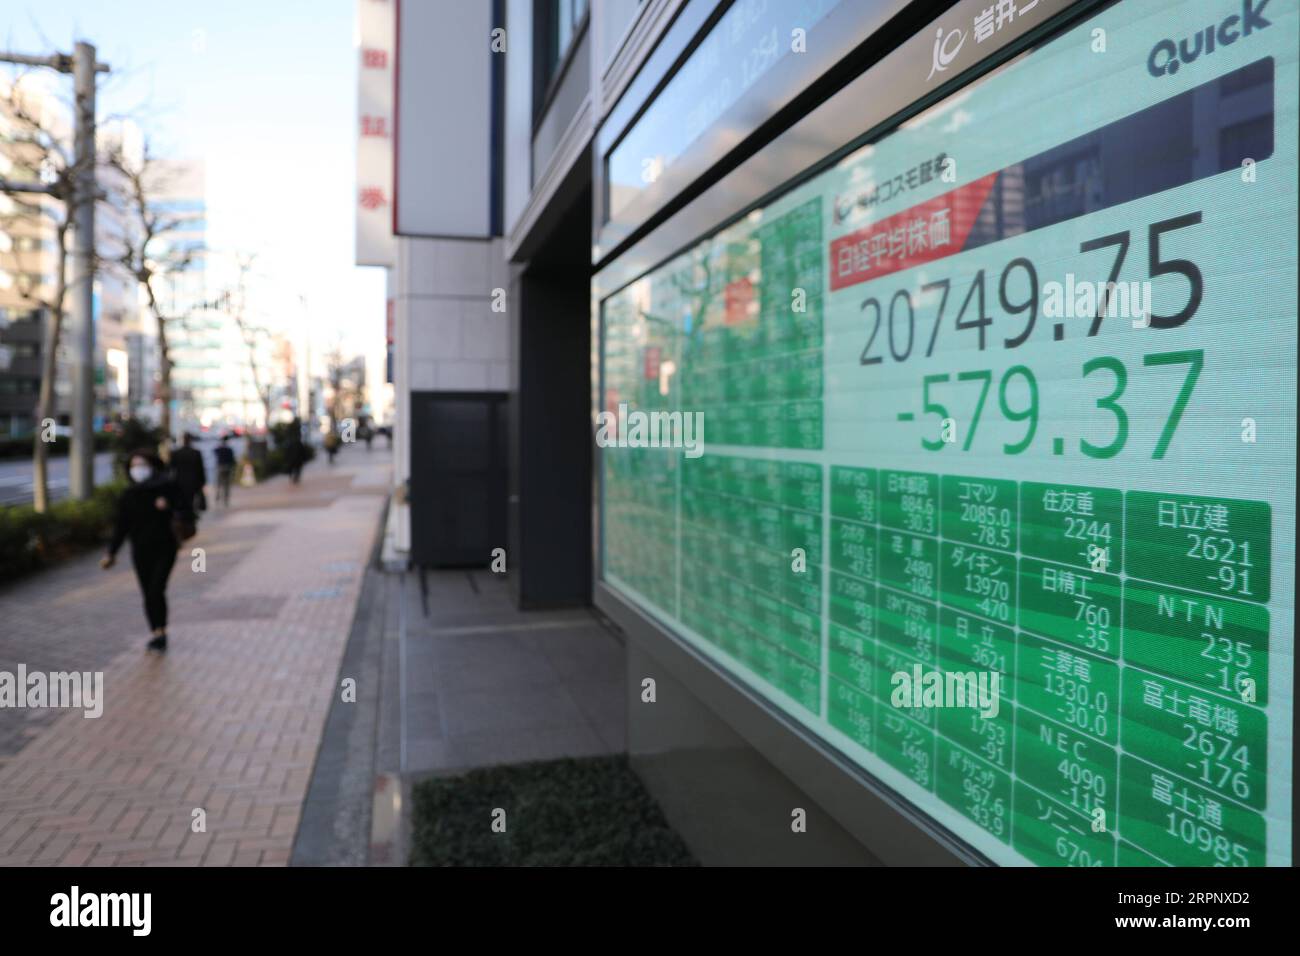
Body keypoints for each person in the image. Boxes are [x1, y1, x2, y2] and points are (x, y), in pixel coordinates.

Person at [100, 450, 193, 652]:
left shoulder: (167, 487)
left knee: (156, 589)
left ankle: (161, 632)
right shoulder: (129, 494)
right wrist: (111, 552)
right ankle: (156, 631)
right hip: (140, 550)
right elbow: (121, 526)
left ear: (152, 466)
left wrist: (168, 507)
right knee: (147, 592)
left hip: (165, 547)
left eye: (141, 464)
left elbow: (187, 511)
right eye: (134, 465)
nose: (137, 469)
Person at [170, 432, 208, 515]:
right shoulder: (196, 453)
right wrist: (202, 482)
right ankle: (189, 516)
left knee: (182, 502)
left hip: (179, 482)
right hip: (193, 482)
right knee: (191, 502)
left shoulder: (176, 453)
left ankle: (184, 516)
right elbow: (200, 469)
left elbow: (171, 469)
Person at [213, 434, 237, 506]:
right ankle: (225, 499)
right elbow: (233, 460)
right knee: (226, 485)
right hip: (227, 468)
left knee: (219, 483)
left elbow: (214, 452)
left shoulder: (219, 449)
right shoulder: (229, 449)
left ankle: (217, 497)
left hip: (220, 467)